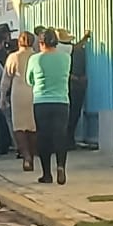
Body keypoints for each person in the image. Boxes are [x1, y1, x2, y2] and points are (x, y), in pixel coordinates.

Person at [27, 28, 72, 185]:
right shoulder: (66, 58)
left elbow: (29, 80)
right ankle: (61, 166)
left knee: (43, 136)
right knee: (60, 135)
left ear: (41, 43)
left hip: (41, 102)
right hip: (61, 101)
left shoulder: (35, 59)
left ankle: (46, 174)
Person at [1, 31, 38, 172]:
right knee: (33, 127)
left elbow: (6, 79)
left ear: (18, 42)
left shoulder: (13, 57)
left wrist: (2, 97)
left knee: (19, 127)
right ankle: (32, 155)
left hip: (18, 94)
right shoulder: (36, 57)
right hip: (34, 92)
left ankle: (26, 156)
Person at [66, 29, 92, 149]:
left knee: (70, 115)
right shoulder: (75, 50)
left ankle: (68, 140)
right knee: (73, 114)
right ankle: (69, 140)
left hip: (70, 87)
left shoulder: (65, 51)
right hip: (76, 86)